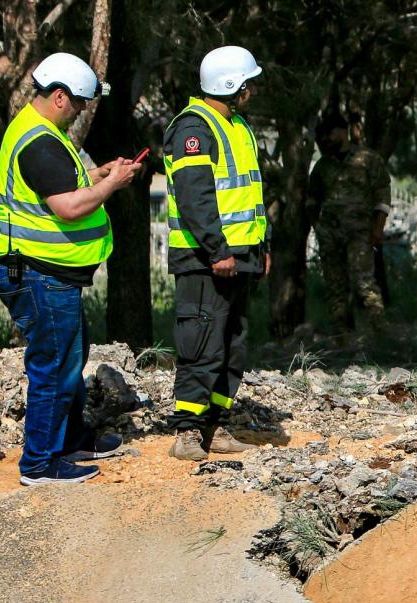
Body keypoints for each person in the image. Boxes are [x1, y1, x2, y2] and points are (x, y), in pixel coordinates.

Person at [0, 53, 140, 484]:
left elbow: (61, 185)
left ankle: (72, 437)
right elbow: (68, 206)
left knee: (69, 357)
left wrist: (98, 173)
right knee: (53, 365)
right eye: (79, 104)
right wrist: (112, 185)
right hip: (39, 274)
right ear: (59, 97)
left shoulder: (38, 132)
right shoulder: (39, 142)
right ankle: (39, 463)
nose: (80, 112)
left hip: (46, 273)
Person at [163, 46, 269, 460]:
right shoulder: (194, 128)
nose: (251, 90)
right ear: (232, 86)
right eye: (247, 84)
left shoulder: (237, 126)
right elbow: (196, 198)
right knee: (201, 342)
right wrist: (217, 249)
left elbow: (250, 193)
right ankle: (187, 432)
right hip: (205, 258)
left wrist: (261, 246)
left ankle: (215, 425)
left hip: (240, 254)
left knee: (232, 343)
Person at [307, 112, 392, 335]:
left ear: (343, 132)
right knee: (335, 288)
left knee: (365, 285)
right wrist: (319, 228)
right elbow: (312, 200)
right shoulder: (323, 166)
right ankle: (341, 337)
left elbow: (383, 194)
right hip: (331, 235)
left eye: (331, 133)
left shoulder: (367, 159)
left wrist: (378, 228)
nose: (326, 139)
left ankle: (380, 333)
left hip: (360, 234)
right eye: (324, 135)